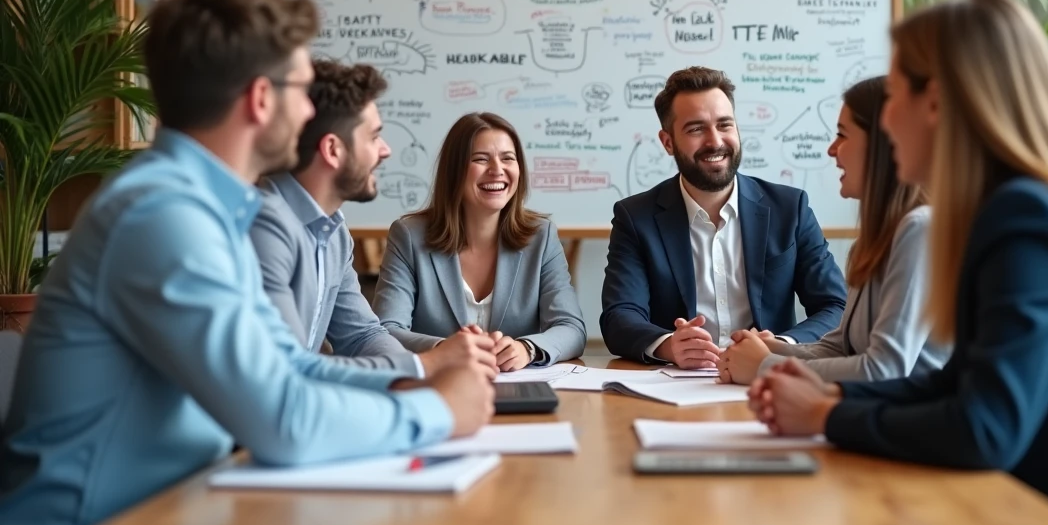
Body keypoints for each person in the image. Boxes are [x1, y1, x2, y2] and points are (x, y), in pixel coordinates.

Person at [0, 0, 492, 525]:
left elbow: (289, 366)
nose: (310, 112)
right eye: (304, 91)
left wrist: (418, 374)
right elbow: (284, 420)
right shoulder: (163, 215)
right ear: (261, 98)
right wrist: (440, 413)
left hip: (175, 508)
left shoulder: (207, 207)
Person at [748, 0, 1048, 525]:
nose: (885, 120)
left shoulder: (1027, 217)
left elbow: (986, 428)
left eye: (892, 95)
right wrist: (832, 396)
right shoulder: (1015, 207)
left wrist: (824, 416)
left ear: (935, 102)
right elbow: (958, 383)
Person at [250, 59, 497, 379]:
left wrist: (417, 379)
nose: (385, 150)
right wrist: (428, 364)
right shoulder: (264, 225)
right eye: (373, 137)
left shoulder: (333, 231)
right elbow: (284, 369)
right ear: (333, 150)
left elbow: (362, 335)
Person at [600, 66, 847, 368]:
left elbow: (835, 305)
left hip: (770, 379)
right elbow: (619, 316)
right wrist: (668, 345)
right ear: (667, 142)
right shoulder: (636, 218)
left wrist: (781, 347)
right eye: (696, 129)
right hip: (676, 387)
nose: (715, 141)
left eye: (725, 125)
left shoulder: (789, 208)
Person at [717, 76, 949, 385]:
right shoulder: (874, 238)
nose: (831, 150)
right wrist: (773, 349)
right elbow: (839, 347)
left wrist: (765, 366)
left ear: (881, 143)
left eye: (842, 135)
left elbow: (884, 369)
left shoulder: (919, 230)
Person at [374, 112, 586, 371]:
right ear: (454, 171)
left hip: (520, 390)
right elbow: (386, 330)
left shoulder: (541, 237)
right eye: (480, 159)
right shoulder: (409, 236)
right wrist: (445, 350)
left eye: (508, 158)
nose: (497, 170)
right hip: (440, 388)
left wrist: (527, 348)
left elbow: (572, 329)